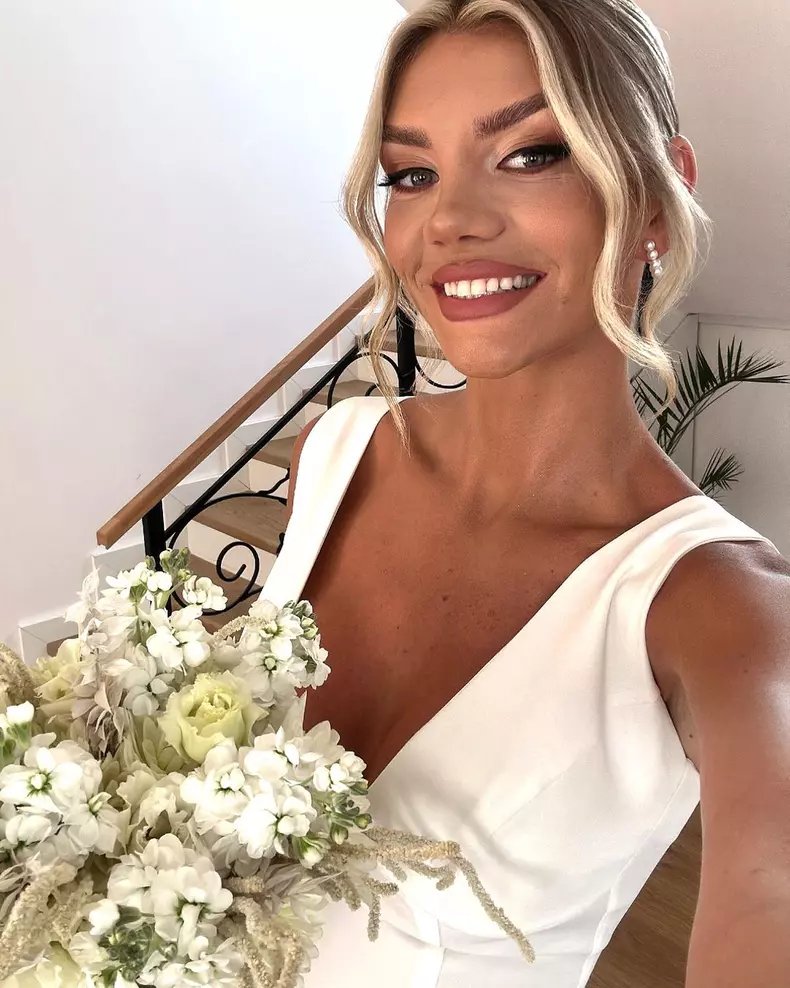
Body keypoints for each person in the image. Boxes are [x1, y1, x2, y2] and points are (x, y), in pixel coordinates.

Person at [259, 1, 790, 984]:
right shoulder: (334, 455)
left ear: (656, 199)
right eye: (410, 173)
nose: (449, 219)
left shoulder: (721, 610)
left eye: (531, 153)